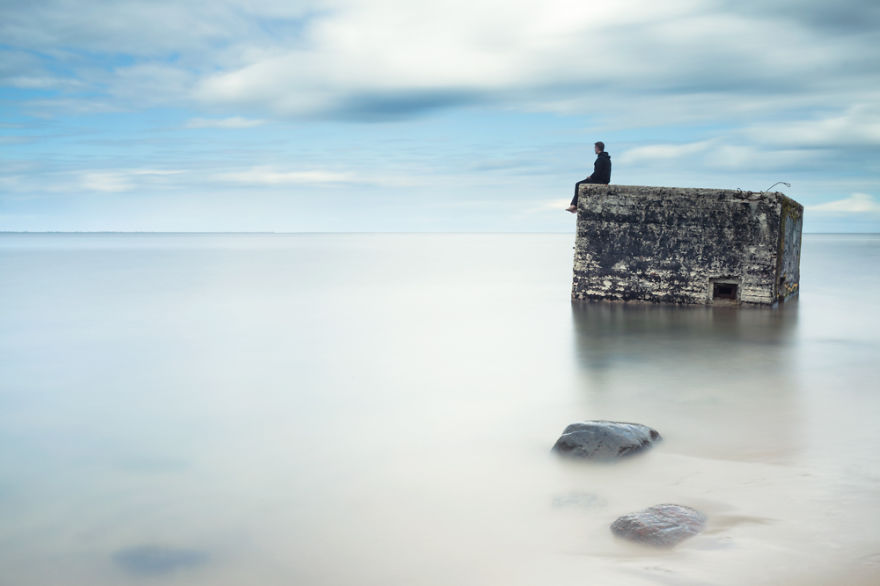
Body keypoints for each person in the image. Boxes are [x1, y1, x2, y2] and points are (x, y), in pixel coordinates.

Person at [566, 142, 611, 213]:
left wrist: (590, 177)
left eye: (595, 148)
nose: (594, 150)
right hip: (605, 180)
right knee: (581, 183)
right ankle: (574, 205)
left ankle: (574, 205)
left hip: (600, 181)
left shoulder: (600, 159)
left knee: (578, 184)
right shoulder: (607, 158)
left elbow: (597, 173)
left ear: (597, 148)